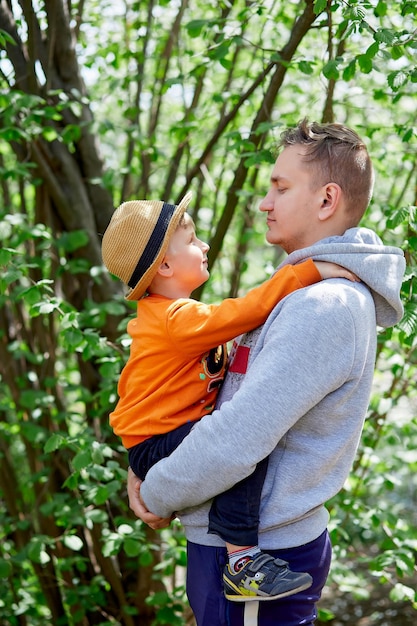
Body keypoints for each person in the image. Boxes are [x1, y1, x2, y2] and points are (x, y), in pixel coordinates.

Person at [127, 119, 405, 626]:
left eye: (280, 187)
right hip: (245, 547)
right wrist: (144, 460)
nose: (264, 202)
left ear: (326, 200)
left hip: (260, 557)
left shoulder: (325, 305)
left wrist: (155, 490)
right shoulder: (302, 293)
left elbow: (238, 438)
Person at [101, 192, 357, 602]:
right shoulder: (175, 319)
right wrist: (310, 271)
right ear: (164, 265)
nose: (204, 245)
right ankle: (242, 561)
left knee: (237, 439)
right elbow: (244, 311)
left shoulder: (176, 316)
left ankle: (240, 556)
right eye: (192, 239)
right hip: (154, 442)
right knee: (241, 448)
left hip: (152, 440)